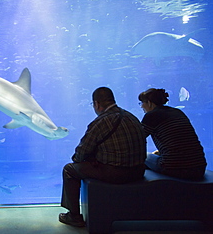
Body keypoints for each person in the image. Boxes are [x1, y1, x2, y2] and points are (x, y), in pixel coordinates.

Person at [59, 87, 146, 227]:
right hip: (138, 171)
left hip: (116, 173)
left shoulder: (101, 122)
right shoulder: (131, 116)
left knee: (69, 169)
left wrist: (86, 159)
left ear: (97, 104)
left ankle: (74, 216)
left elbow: (81, 153)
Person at [138, 88, 206, 180]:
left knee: (143, 156)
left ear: (149, 103)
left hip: (174, 168)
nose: (141, 106)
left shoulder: (151, 116)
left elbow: (137, 138)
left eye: (142, 103)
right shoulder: (177, 112)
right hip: (199, 167)